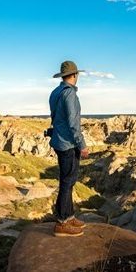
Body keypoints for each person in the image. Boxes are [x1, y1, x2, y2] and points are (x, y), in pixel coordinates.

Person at [49, 60, 89, 237]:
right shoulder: (70, 94)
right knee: (67, 182)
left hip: (58, 142)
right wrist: (82, 145)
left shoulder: (55, 92)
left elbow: (57, 118)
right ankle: (62, 222)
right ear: (74, 75)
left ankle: (69, 215)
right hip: (68, 144)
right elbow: (73, 123)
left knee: (67, 181)